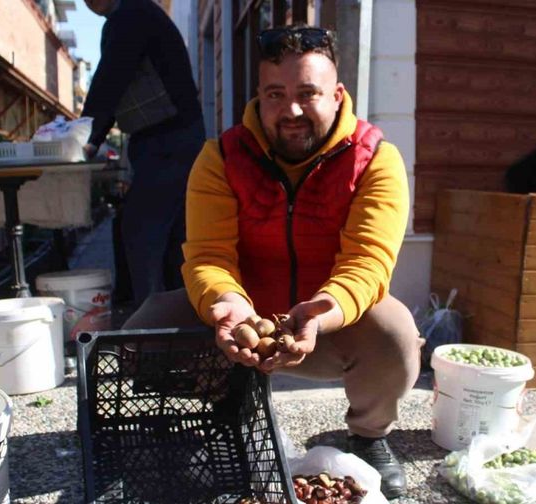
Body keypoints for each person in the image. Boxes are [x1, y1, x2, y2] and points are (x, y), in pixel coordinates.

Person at [124, 25, 421, 499]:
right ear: (259, 96)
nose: (292, 111)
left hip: (325, 325)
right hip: (242, 321)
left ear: (338, 94)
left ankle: (368, 436)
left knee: (396, 332)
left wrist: (320, 312)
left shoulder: (376, 161)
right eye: (276, 94)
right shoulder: (219, 157)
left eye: (308, 93)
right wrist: (228, 306)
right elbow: (207, 256)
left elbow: (368, 263)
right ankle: (222, 407)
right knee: (144, 329)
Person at [81, 0, 205, 306]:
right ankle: (177, 325)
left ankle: (147, 326)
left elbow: (110, 80)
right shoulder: (138, 13)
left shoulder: (130, 15)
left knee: (141, 233)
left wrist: (86, 136)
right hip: (173, 137)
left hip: (168, 140)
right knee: (172, 239)